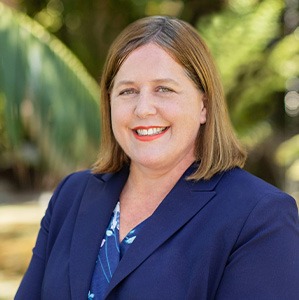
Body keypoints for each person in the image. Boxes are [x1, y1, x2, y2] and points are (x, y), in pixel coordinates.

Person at [16, 16, 299, 300]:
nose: (143, 109)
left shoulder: (260, 217)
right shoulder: (71, 196)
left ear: (204, 105)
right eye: (128, 91)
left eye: (163, 89)